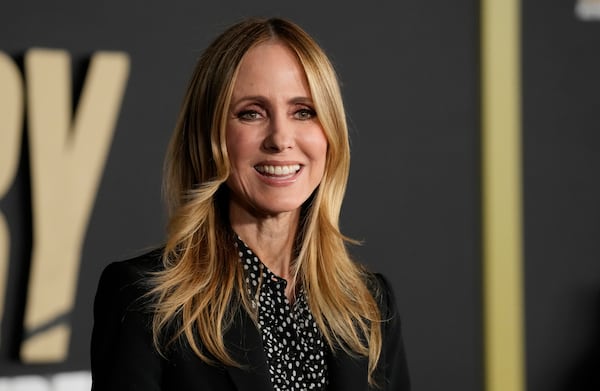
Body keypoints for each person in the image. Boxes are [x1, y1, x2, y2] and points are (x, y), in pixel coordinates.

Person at [90, 16, 410, 391]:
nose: (280, 138)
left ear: (330, 133)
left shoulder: (369, 304)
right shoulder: (146, 300)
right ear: (208, 134)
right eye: (251, 113)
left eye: (303, 111)